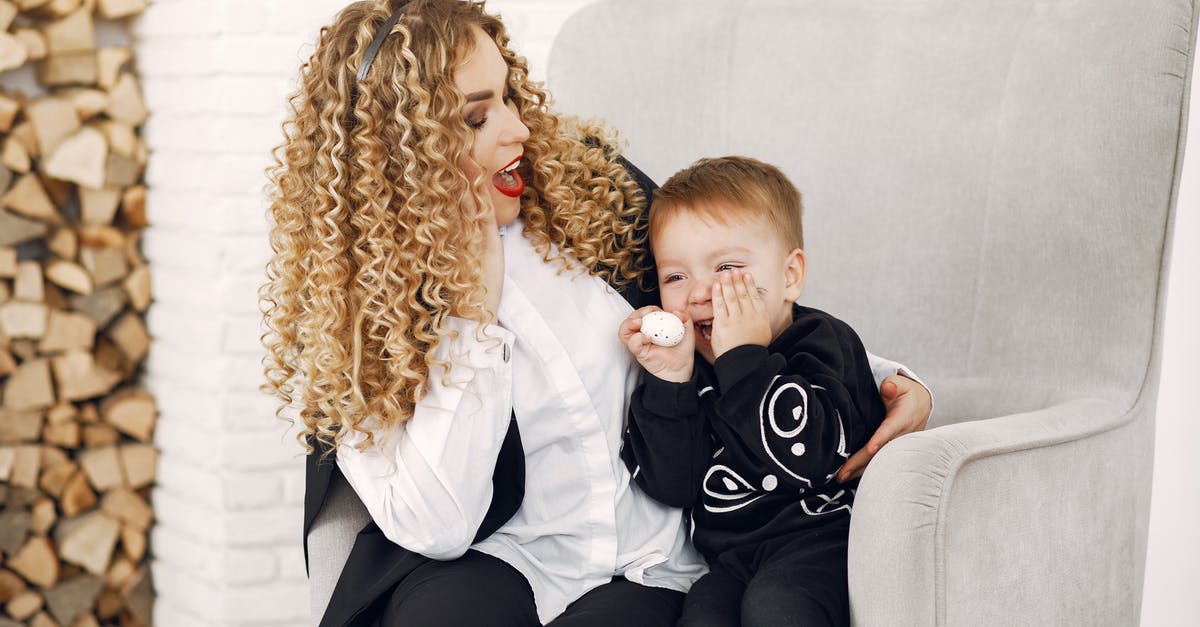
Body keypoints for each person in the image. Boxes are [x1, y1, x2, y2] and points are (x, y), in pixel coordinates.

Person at [260, 1, 932, 626]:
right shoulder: (352, 311)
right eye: (476, 116)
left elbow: (722, 298)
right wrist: (471, 317)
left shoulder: (591, 191)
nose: (517, 127)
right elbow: (439, 526)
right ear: (398, 156)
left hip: (652, 558)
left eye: (509, 96)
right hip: (497, 555)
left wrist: (883, 379)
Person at [619, 156, 894, 626]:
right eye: (675, 277)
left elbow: (810, 460)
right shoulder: (688, 368)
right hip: (728, 560)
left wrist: (744, 359)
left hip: (824, 541)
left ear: (790, 277)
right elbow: (672, 486)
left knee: (776, 609)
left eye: (726, 266)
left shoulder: (823, 344)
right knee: (702, 618)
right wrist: (668, 382)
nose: (699, 292)